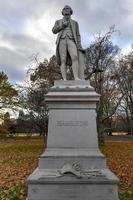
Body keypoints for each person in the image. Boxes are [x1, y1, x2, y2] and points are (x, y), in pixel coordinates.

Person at [52, 5, 85, 80]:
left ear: (71, 11)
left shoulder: (75, 23)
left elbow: (78, 35)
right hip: (62, 40)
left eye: (68, 9)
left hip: (71, 40)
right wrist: (62, 26)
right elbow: (54, 30)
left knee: (75, 57)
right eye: (64, 9)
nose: (66, 10)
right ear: (62, 12)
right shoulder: (58, 21)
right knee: (63, 59)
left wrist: (79, 46)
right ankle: (64, 79)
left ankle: (76, 77)